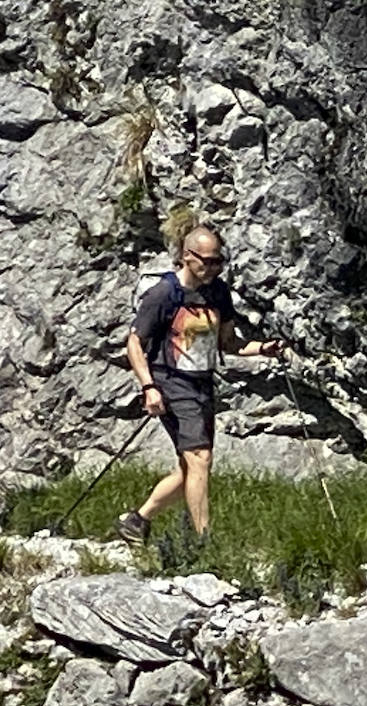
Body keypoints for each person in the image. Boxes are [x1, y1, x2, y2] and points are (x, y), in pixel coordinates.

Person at [116, 224, 284, 545]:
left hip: (203, 384)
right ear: (185, 256)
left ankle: (137, 520)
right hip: (170, 382)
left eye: (217, 262)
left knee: (192, 468)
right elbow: (135, 343)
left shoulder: (218, 293)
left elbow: (229, 343)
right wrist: (149, 387)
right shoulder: (164, 294)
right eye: (204, 261)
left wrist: (262, 349)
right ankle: (205, 543)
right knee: (199, 459)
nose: (210, 268)